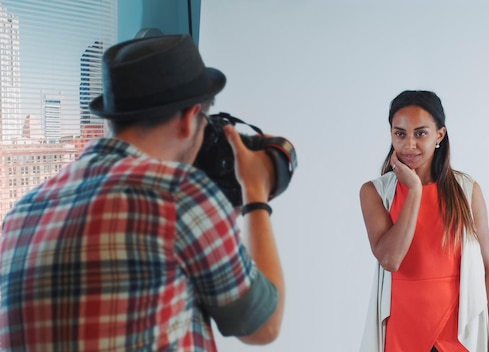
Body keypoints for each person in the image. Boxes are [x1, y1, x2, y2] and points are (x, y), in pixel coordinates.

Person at [0, 35, 284, 351]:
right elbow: (263, 327)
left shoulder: (18, 217)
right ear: (190, 118)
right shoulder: (179, 194)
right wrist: (255, 193)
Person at [359, 90, 489, 352]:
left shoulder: (466, 190)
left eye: (421, 133)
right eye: (400, 133)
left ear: (440, 135)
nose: (409, 144)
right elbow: (390, 259)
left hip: (460, 336)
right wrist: (414, 190)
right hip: (402, 335)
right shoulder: (375, 192)